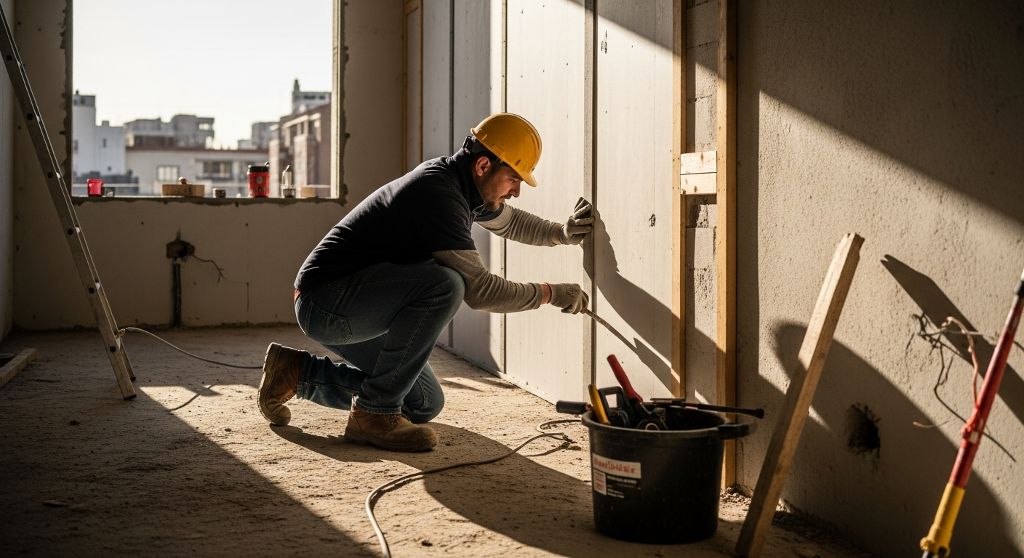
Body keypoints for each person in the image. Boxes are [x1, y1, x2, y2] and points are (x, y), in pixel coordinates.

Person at [257, 112, 592, 452]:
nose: (517, 191)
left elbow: (510, 223)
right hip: (327, 304)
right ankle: (373, 413)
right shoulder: (440, 195)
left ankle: (296, 373)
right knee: (447, 285)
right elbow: (481, 292)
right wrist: (550, 294)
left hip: (351, 305)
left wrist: (560, 234)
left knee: (423, 403)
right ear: (483, 166)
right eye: (514, 179)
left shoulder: (464, 187)